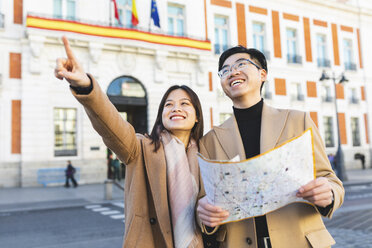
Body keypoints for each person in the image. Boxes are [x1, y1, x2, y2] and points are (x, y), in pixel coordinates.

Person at [55, 36, 204, 248]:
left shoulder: (206, 154)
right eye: (168, 104)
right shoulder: (140, 148)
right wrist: (86, 86)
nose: (176, 108)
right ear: (161, 114)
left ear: (197, 115)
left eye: (184, 103)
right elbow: (112, 123)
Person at [196, 46, 345, 248]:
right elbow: (205, 203)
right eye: (225, 70)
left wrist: (328, 192)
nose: (232, 72)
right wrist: (203, 213)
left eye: (241, 64)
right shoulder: (209, 141)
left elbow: (330, 180)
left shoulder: (297, 121)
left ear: (262, 74)